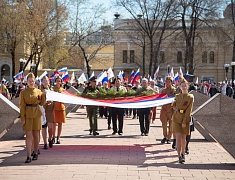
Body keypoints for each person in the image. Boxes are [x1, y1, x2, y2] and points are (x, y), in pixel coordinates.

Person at [19, 73, 46, 163]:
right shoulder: (23, 92)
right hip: (28, 114)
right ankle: (28, 155)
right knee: (28, 135)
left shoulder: (38, 91)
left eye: (32, 81)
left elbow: (42, 103)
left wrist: (44, 95)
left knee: (36, 134)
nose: (31, 82)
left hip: (37, 114)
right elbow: (22, 106)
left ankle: (35, 152)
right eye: (29, 81)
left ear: (35, 81)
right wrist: (22, 118)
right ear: (27, 82)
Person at [172, 79, 194, 163]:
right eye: (182, 86)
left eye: (185, 86)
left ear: (188, 86)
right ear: (180, 87)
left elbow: (189, 110)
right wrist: (173, 104)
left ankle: (183, 153)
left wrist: (185, 121)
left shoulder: (190, 97)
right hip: (176, 118)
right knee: (178, 137)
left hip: (185, 118)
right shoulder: (177, 96)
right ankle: (179, 156)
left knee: (183, 138)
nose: (184, 87)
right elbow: (173, 106)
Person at [159, 76, 176, 144]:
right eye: (166, 82)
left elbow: (176, 98)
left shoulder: (174, 90)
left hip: (171, 109)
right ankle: (165, 136)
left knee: (171, 125)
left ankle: (169, 137)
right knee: (164, 124)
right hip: (164, 109)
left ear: (171, 82)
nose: (167, 83)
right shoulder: (163, 90)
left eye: (169, 82)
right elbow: (160, 98)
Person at [41, 76, 54, 148]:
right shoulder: (40, 91)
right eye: (44, 81)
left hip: (50, 110)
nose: (46, 82)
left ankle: (50, 139)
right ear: (42, 82)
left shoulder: (51, 90)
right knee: (44, 127)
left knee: (50, 127)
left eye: (47, 81)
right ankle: (45, 143)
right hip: (43, 110)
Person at [53, 76, 66, 144]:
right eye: (57, 80)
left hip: (61, 107)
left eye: (59, 81)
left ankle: (58, 137)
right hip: (55, 107)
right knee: (54, 123)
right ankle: (53, 137)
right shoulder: (53, 89)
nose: (58, 82)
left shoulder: (63, 90)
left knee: (60, 123)